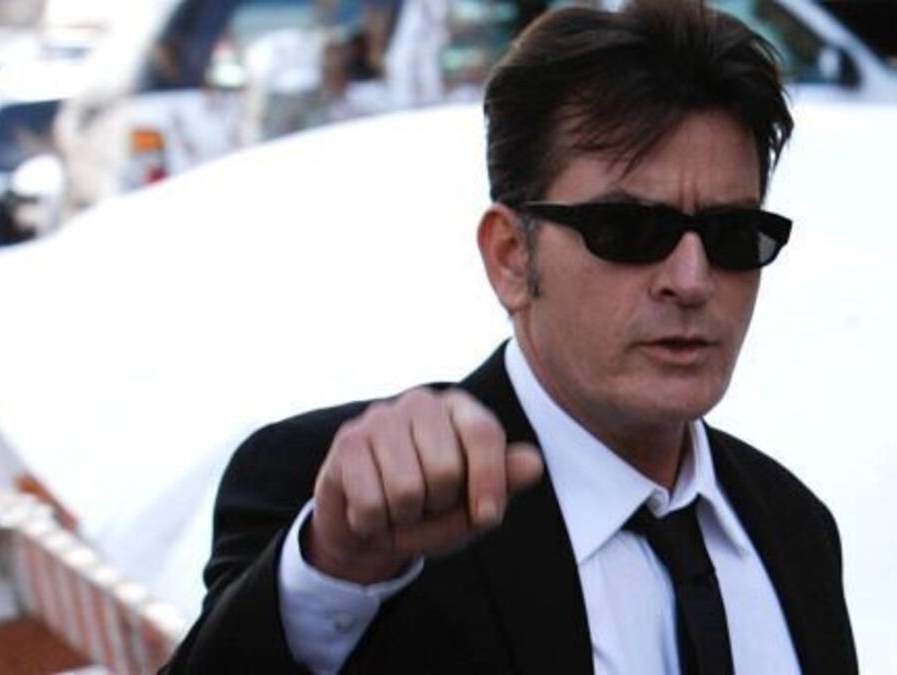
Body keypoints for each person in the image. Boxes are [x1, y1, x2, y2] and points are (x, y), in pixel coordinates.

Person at [164, 0, 858, 673]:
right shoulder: (359, 506)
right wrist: (336, 569)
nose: (691, 279)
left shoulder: (791, 527)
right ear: (510, 256)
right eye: (628, 230)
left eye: (733, 234)